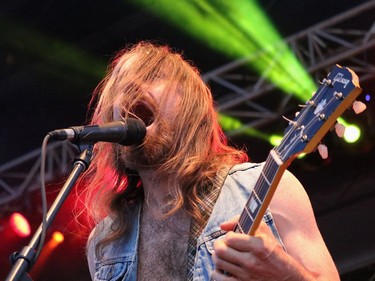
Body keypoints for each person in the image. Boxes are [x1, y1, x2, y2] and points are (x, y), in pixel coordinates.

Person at [83, 41, 340, 281]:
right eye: (120, 86)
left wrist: (285, 275)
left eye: (151, 77)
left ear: (190, 109)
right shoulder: (104, 243)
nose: (131, 88)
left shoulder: (267, 188)